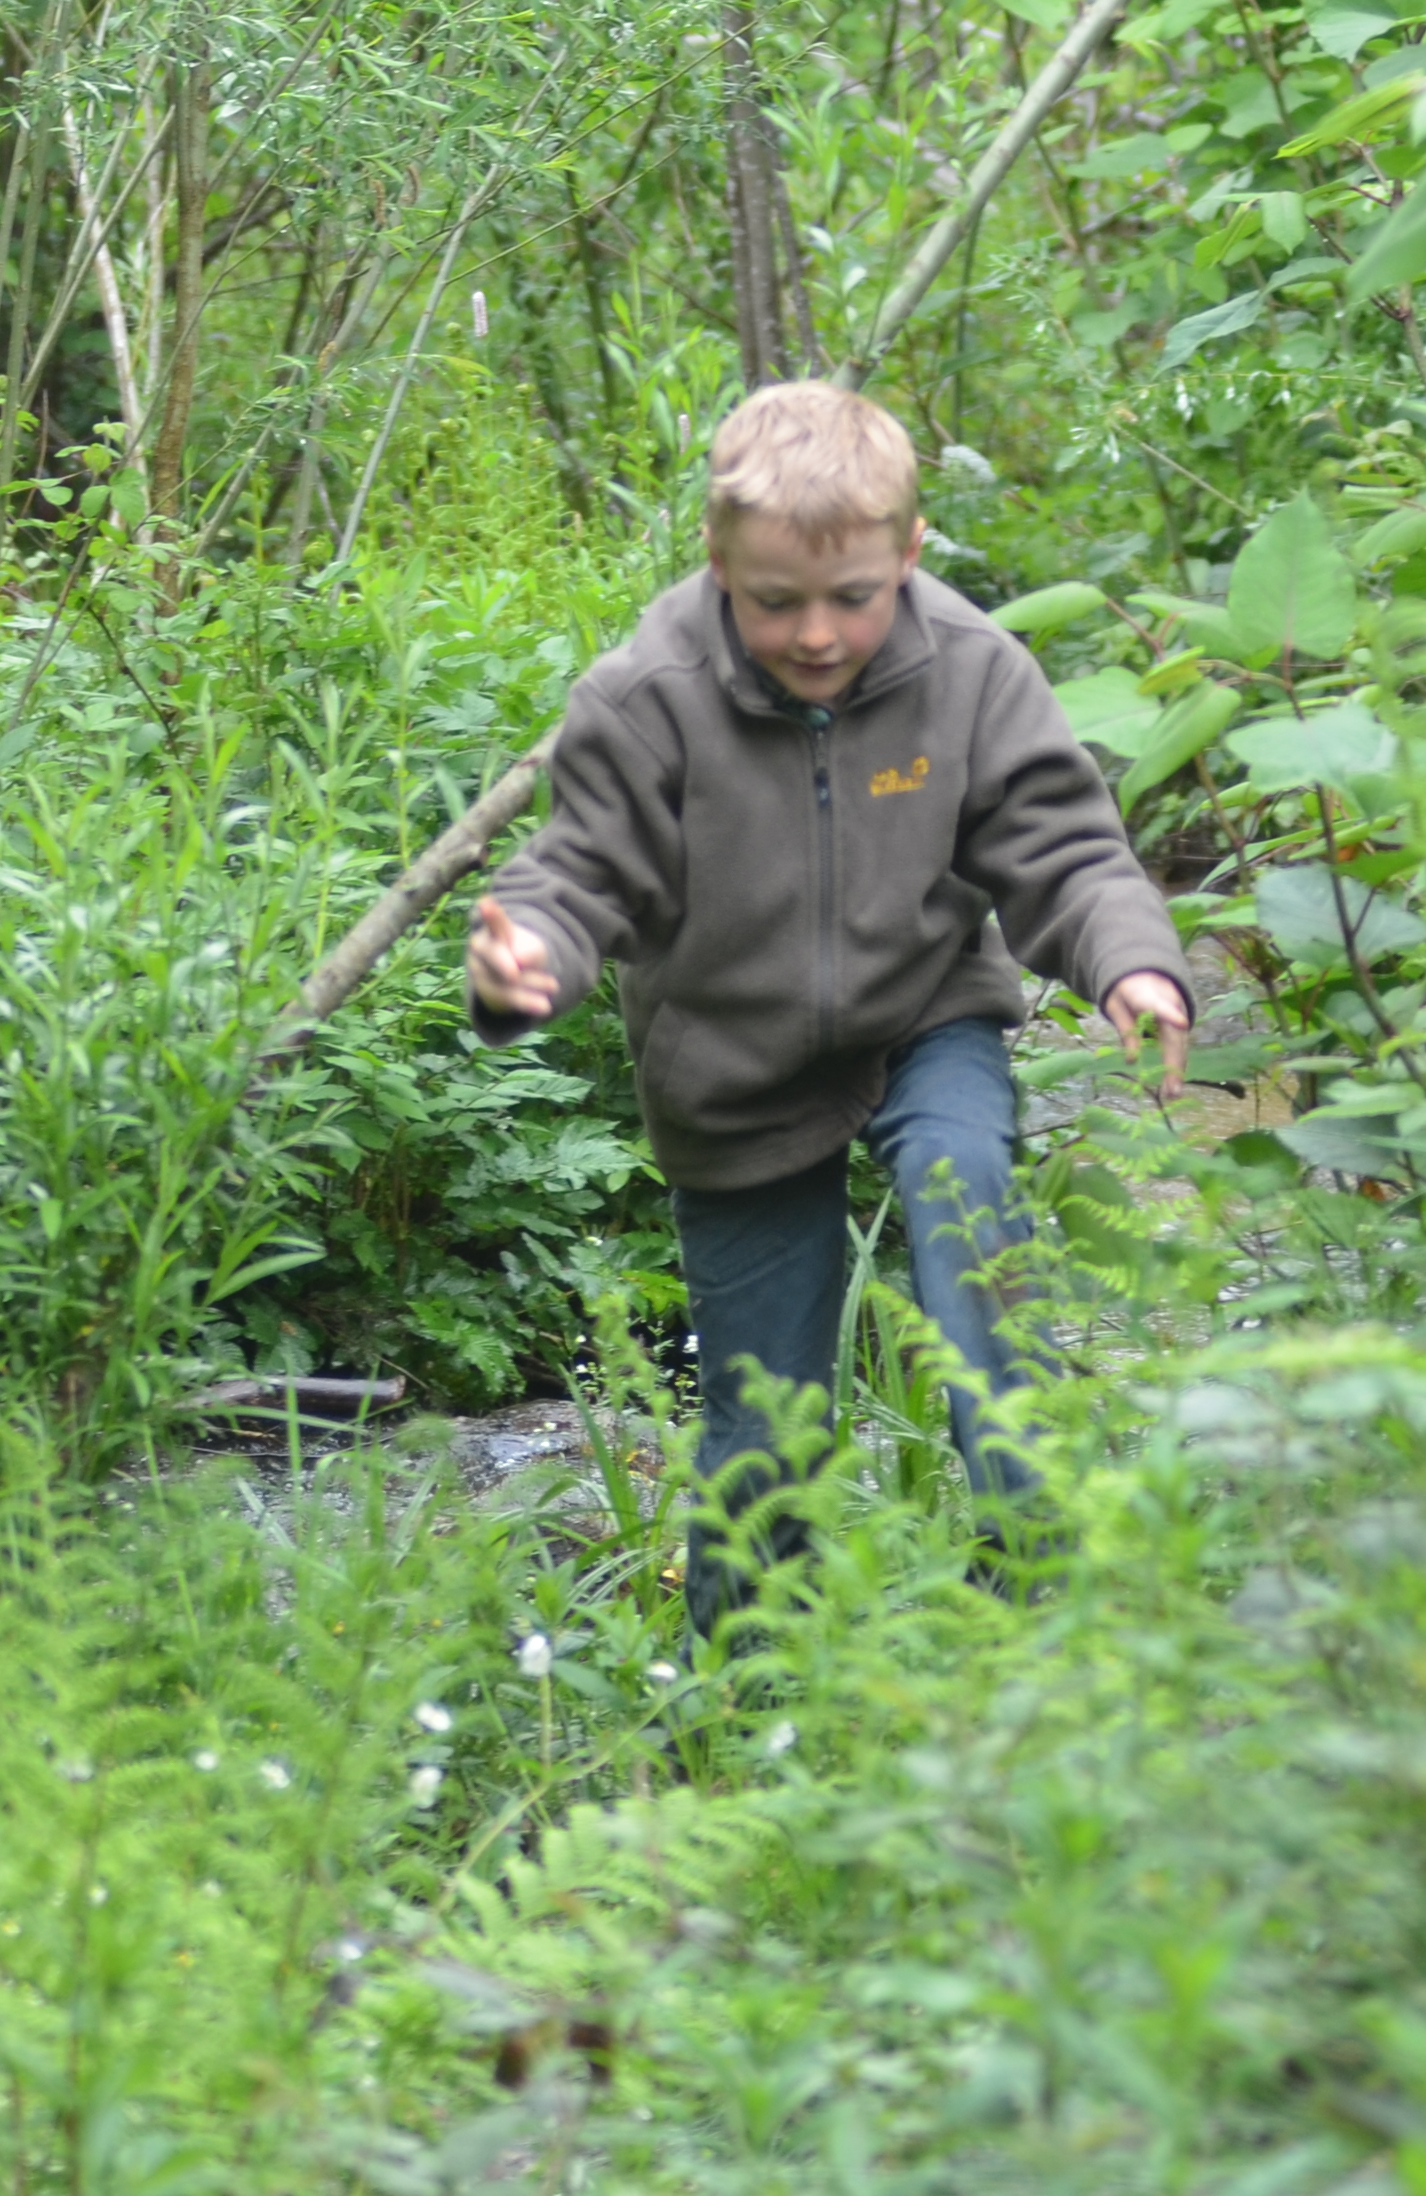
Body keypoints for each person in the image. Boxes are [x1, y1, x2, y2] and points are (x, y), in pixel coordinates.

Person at [465, 382, 1193, 1634]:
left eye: (850, 596)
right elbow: (579, 867)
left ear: (907, 555)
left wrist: (1130, 960)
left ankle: (1033, 1582)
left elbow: (1062, 850)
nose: (815, 634)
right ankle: (741, 1691)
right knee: (761, 1413)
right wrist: (528, 951)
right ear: (716, 561)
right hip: (731, 1071)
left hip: (924, 1018)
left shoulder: (968, 670)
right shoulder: (647, 696)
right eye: (773, 601)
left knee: (964, 1199)